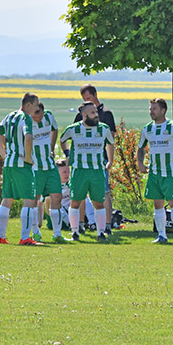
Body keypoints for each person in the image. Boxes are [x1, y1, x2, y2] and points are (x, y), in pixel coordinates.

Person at [136, 98, 173, 244]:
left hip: (171, 173)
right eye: (150, 109)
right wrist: (140, 163)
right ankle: (162, 235)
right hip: (154, 173)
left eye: (154, 109)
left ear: (163, 110)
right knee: (157, 204)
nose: (151, 112)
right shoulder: (147, 129)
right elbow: (140, 147)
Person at [60, 101, 115, 242]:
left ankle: (100, 233)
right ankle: (75, 232)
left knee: (98, 202)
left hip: (97, 171)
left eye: (96, 112)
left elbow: (110, 143)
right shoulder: (73, 129)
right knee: (75, 201)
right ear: (84, 115)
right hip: (79, 171)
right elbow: (62, 139)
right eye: (93, 113)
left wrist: (110, 160)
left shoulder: (103, 129)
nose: (96, 115)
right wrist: (67, 154)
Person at [0, 93, 40, 245]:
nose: (38, 108)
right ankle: (25, 238)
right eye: (36, 104)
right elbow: (28, 137)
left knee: (7, 199)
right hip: (21, 164)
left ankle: (2, 236)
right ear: (28, 105)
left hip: (9, 163)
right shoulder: (26, 118)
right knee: (29, 200)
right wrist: (27, 157)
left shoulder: (10, 116)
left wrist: (4, 155)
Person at [74, 84, 117, 234]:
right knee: (80, 194)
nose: (87, 101)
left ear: (95, 94)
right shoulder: (81, 114)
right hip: (82, 162)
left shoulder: (106, 114)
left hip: (100, 161)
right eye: (84, 99)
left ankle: (107, 224)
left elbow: (111, 138)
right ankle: (80, 224)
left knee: (104, 193)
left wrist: (110, 160)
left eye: (89, 98)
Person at [28, 102, 65, 244]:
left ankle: (57, 233)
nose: (38, 119)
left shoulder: (49, 116)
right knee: (34, 199)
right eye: (35, 116)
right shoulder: (25, 121)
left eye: (40, 116)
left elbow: (55, 129)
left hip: (49, 165)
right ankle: (35, 232)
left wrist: (51, 145)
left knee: (57, 196)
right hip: (35, 167)